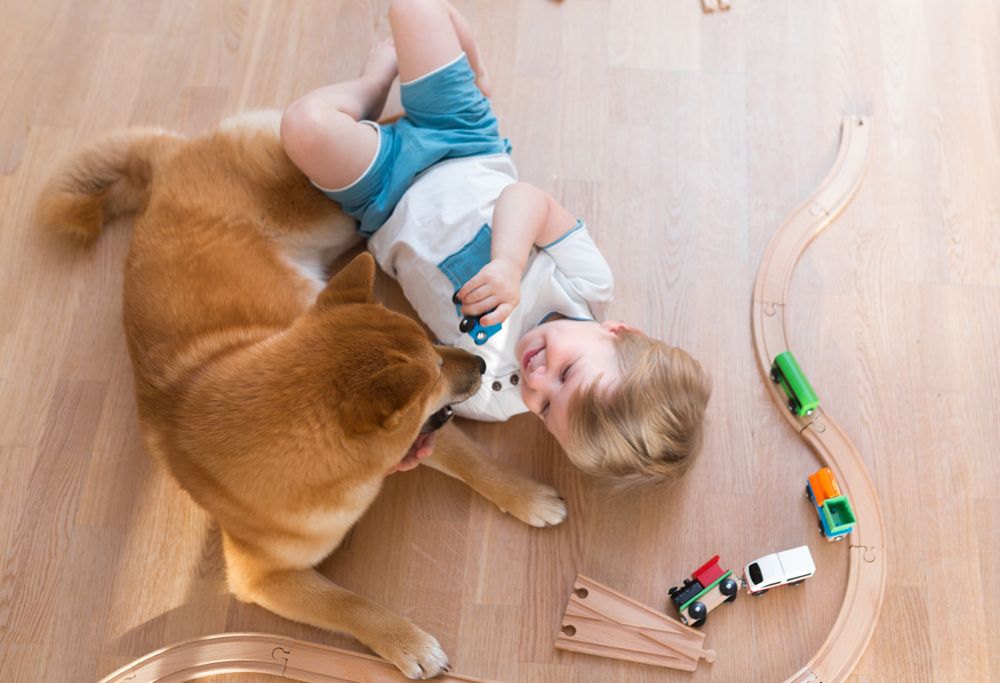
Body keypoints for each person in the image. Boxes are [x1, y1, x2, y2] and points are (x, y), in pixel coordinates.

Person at [280, 0, 711, 485]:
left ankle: (371, 88)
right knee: (415, 9)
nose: (537, 379)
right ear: (615, 331)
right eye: (567, 372)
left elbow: (416, 372)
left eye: (544, 408)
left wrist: (409, 436)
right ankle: (411, 79)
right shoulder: (587, 284)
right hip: (463, 140)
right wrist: (508, 263)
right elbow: (528, 199)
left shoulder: (490, 396)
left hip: (384, 197)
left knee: (304, 125)